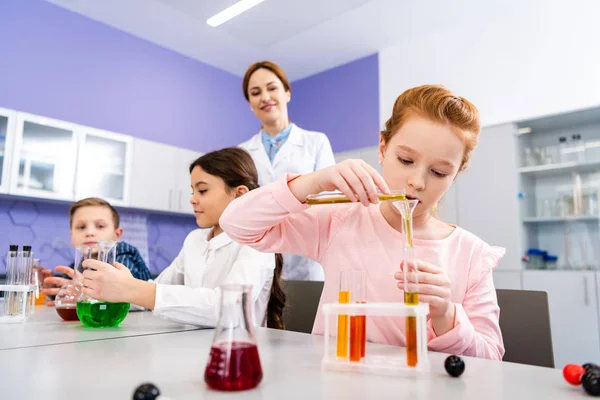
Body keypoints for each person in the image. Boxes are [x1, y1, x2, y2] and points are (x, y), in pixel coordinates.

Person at [221, 84, 506, 360]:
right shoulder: (341, 219)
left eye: (439, 172)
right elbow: (236, 222)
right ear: (383, 148)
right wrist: (315, 181)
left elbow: (491, 357)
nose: (417, 182)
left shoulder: (471, 255)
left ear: (454, 176)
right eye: (406, 160)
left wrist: (446, 315)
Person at [78, 148, 285, 328]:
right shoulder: (195, 240)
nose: (192, 199)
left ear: (239, 194)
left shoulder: (258, 242)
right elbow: (156, 288)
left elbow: (228, 307)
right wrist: (98, 289)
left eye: (202, 190)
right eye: (192, 190)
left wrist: (134, 289)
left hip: (236, 355)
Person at [239, 60, 336, 281]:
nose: (265, 97)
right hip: (257, 262)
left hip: (307, 259)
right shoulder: (242, 152)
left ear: (287, 93)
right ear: (250, 103)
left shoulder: (315, 142)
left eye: (272, 88)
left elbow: (330, 201)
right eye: (255, 93)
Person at [42, 198, 152, 306]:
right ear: (72, 236)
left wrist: (83, 294)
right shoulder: (80, 264)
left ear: (117, 235)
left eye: (100, 226)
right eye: (81, 227)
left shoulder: (124, 253)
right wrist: (52, 287)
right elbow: (70, 291)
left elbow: (119, 290)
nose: (90, 232)